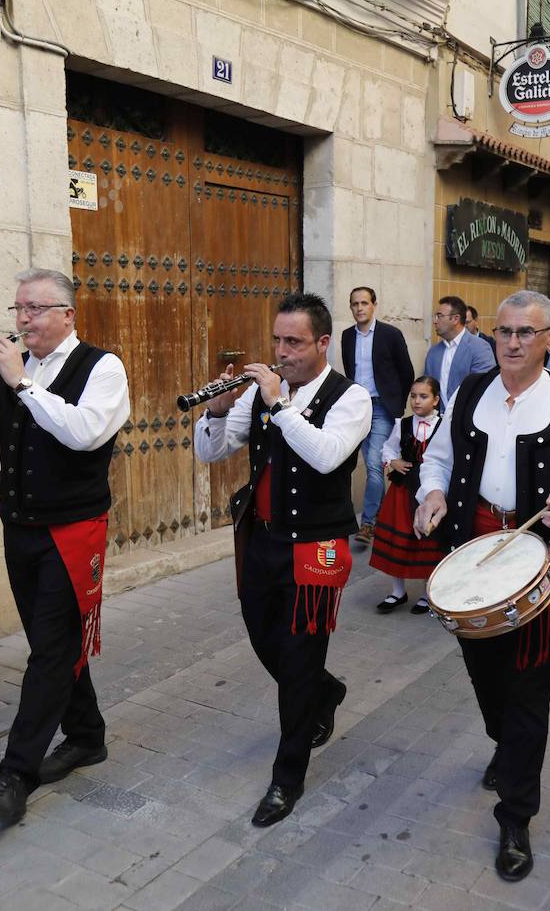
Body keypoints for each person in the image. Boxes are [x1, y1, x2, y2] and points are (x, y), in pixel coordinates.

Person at [414, 290, 550, 883]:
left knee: (528, 687)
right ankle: (505, 744)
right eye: (503, 331)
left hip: (539, 564)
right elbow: (438, 458)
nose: (511, 342)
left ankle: (516, 814)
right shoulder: (469, 391)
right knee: (485, 674)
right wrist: (431, 492)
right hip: (473, 553)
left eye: (526, 332)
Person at [0, 269, 131, 825]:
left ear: (67, 315)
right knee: (54, 642)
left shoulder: (103, 367)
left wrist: (21, 382)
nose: (23, 319)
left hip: (73, 530)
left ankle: (15, 775)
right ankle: (87, 734)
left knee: (49, 651)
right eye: (18, 309)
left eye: (35, 309)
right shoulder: (10, 372)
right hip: (20, 527)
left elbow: (84, 433)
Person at [194, 293, 372, 828]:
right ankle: (326, 689)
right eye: (277, 340)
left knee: (297, 660)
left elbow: (326, 456)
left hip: (315, 546)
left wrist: (278, 405)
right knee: (262, 635)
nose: (281, 352)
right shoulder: (261, 394)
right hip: (263, 540)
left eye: (294, 342)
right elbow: (211, 452)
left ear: (322, 343)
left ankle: (287, 776)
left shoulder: (351, 398)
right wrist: (216, 412)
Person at [340, 286, 418, 545]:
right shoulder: (347, 336)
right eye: (355, 304)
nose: (359, 308)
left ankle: (368, 524)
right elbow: (350, 371)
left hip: (382, 407)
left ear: (374, 305)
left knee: (374, 463)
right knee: (368, 463)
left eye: (364, 303)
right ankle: (384, 518)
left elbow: (406, 371)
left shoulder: (390, 334)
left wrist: (396, 404)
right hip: (357, 408)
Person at [369, 376, 444, 615]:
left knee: (426, 540)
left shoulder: (444, 425)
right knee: (399, 540)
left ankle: (426, 594)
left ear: (436, 400)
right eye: (413, 396)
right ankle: (397, 592)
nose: (417, 401)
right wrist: (393, 461)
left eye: (423, 396)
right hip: (402, 492)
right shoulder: (402, 424)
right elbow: (388, 448)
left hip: (429, 493)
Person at [424, 295, 496, 409]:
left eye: (439, 316)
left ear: (456, 319)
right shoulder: (433, 352)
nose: (435, 321)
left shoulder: (479, 348)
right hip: (438, 417)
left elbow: (482, 388)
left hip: (466, 415)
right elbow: (428, 388)